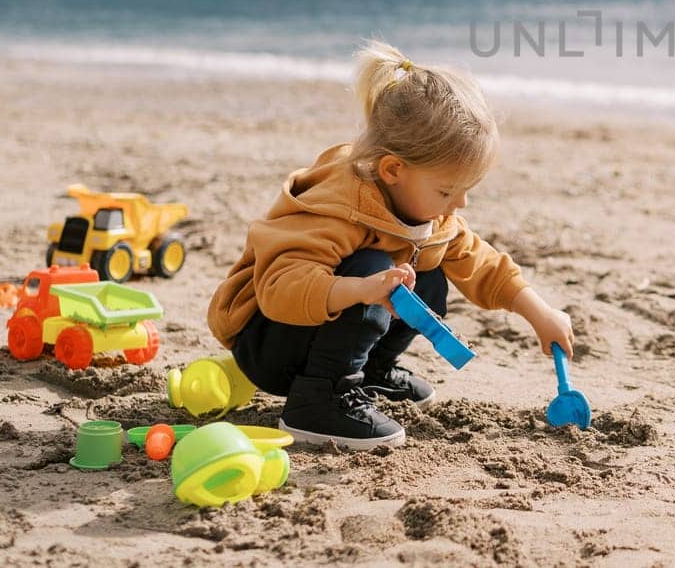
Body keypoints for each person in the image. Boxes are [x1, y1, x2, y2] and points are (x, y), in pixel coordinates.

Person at [206, 39, 573, 449]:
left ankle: (372, 370)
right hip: (269, 342)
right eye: (448, 190)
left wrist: (539, 313)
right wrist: (362, 289)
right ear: (394, 169)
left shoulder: (429, 213)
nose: (461, 203)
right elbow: (280, 289)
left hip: (320, 332)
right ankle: (318, 402)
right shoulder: (338, 206)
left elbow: (481, 262)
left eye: (468, 189)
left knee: (429, 275)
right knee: (374, 267)